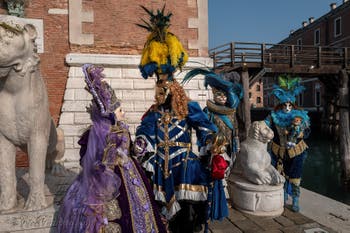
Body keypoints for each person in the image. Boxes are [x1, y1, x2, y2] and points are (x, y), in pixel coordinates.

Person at [134, 6, 217, 233]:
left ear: (173, 88)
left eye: (163, 89)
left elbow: (204, 127)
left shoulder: (188, 107)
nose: (159, 93)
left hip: (186, 167)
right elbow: (145, 130)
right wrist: (141, 142)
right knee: (162, 214)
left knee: (188, 215)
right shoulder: (154, 112)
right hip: (162, 167)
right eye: (158, 87)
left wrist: (211, 141)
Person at [57, 64, 167, 233]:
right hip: (106, 177)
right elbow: (86, 157)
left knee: (139, 206)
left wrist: (139, 148)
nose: (123, 112)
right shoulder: (96, 133)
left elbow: (131, 150)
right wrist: (106, 160)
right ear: (112, 113)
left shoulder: (122, 127)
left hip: (129, 171)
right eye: (120, 110)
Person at [182, 69, 243, 221]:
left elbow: (234, 130)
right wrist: (210, 147)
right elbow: (202, 131)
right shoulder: (207, 111)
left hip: (227, 150)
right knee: (211, 178)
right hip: (212, 152)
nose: (222, 97)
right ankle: (210, 207)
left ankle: (220, 203)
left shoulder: (231, 111)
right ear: (213, 95)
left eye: (224, 95)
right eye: (218, 94)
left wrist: (236, 144)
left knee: (223, 177)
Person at [264, 75, 310, 212]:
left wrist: (302, 132)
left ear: (293, 104)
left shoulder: (300, 116)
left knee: (295, 175)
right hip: (278, 150)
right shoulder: (273, 116)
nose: (287, 107)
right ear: (281, 104)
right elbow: (265, 127)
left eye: (290, 105)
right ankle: (283, 195)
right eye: (285, 104)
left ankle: (295, 199)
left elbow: (307, 131)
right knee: (280, 174)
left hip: (297, 151)